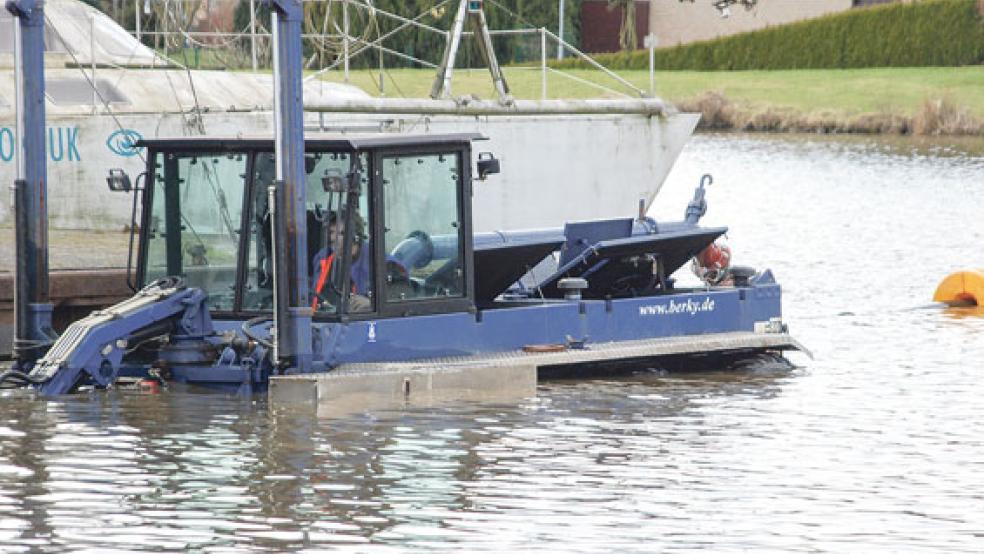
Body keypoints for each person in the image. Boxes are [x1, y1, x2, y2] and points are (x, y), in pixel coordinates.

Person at [311, 211, 372, 313]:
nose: (332, 238)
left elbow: (397, 302)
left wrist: (371, 303)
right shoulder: (323, 258)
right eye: (331, 232)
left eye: (340, 233)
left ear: (356, 236)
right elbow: (312, 295)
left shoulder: (381, 262)